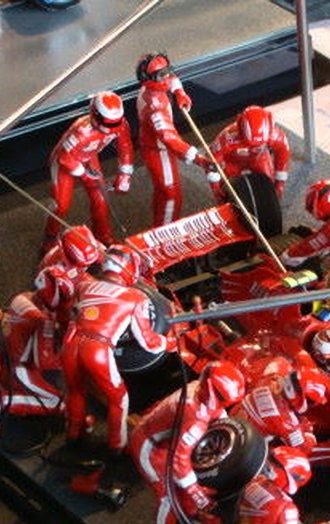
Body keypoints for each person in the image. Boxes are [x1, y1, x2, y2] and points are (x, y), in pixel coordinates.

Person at [128, 361, 247, 524]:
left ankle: (191, 513)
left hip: (165, 440)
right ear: (212, 389)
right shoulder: (195, 416)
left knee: (189, 480)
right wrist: (195, 492)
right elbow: (178, 460)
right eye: (222, 398)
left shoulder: (197, 388)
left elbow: (216, 414)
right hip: (149, 448)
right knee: (169, 496)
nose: (224, 404)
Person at [60, 246, 174, 453]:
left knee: (75, 390)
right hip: (97, 350)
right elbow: (148, 342)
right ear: (128, 267)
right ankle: (116, 447)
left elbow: (73, 313)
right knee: (119, 399)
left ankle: (72, 436)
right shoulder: (135, 298)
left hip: (69, 344)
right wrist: (170, 343)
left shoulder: (84, 286)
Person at [0, 265, 74, 436]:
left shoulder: (23, 296)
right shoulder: (42, 321)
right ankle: (2, 401)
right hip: (20, 370)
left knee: (7, 366)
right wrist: (67, 354)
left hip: (1, 355)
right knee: (59, 402)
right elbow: (43, 361)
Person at [42, 91, 134, 250]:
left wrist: (125, 174)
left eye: (116, 123)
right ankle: (50, 236)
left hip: (89, 157)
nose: (112, 129)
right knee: (61, 205)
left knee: (101, 199)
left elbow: (125, 146)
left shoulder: (120, 125)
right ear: (95, 115)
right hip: (66, 163)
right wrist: (84, 174)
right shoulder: (81, 131)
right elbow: (64, 158)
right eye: (108, 124)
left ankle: (103, 236)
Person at [135, 51, 216, 226]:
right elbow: (169, 139)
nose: (167, 78)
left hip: (160, 145)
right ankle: (165, 231)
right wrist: (199, 159)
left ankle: (159, 223)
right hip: (158, 150)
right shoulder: (154, 108)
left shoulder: (154, 87)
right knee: (170, 193)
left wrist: (179, 92)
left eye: (167, 71)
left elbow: (171, 79)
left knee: (162, 192)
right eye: (161, 75)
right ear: (148, 78)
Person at [239, 355, 326, 454]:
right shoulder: (286, 422)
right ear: (296, 395)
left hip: (236, 415)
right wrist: (308, 432)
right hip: (244, 445)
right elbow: (304, 450)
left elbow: (280, 360)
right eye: (310, 402)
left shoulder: (271, 377)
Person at [208, 105, 291, 201]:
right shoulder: (226, 137)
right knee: (225, 191)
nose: (253, 147)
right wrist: (215, 187)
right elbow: (211, 162)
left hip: (259, 158)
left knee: (270, 185)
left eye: (258, 145)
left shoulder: (276, 136)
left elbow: (282, 158)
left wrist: (279, 184)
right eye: (249, 144)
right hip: (232, 162)